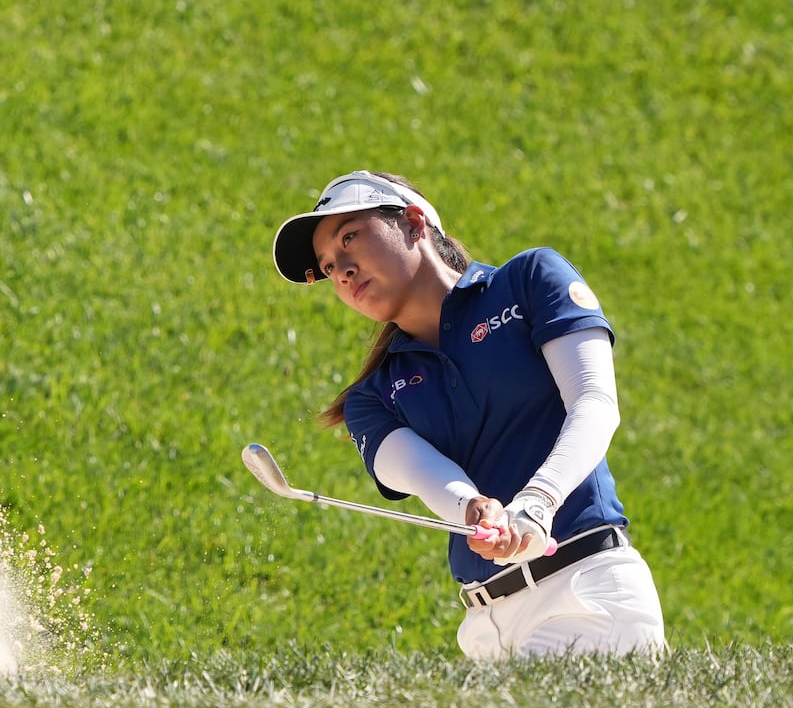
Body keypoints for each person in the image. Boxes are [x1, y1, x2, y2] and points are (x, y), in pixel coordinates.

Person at [271, 169, 666, 659]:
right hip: (484, 628)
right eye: (328, 267)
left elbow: (595, 403)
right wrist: (475, 510)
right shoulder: (369, 400)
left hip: (585, 591)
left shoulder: (528, 281)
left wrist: (538, 504)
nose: (343, 269)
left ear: (414, 223)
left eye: (350, 237)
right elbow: (425, 474)